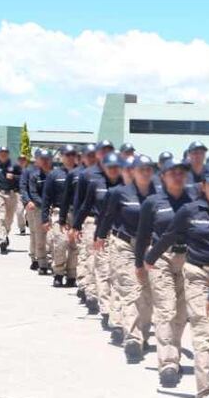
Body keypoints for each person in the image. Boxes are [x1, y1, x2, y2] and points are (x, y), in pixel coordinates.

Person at [145, 160, 209, 398]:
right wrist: (149, 258)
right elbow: (169, 235)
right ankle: (208, 392)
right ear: (203, 186)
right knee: (205, 333)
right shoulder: (190, 211)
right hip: (199, 276)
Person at [135, 157, 194, 387]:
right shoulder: (153, 202)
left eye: (182, 173)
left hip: (189, 258)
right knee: (166, 308)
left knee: (181, 312)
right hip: (161, 258)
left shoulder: (194, 201)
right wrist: (139, 263)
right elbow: (142, 236)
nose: (178, 176)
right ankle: (168, 362)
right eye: (173, 173)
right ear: (163, 176)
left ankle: (174, 353)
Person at [96, 154, 158, 362]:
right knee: (132, 290)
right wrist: (100, 237)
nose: (145, 172)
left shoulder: (158, 194)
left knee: (147, 292)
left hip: (149, 246)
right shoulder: (120, 193)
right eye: (141, 169)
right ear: (132, 171)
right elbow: (108, 216)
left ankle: (144, 333)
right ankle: (132, 338)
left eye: (149, 169)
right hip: (124, 244)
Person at [76, 153, 122, 324]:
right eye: (109, 167)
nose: (113, 170)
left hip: (119, 233)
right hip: (99, 230)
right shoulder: (96, 183)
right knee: (102, 269)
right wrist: (76, 225)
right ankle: (105, 309)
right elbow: (84, 206)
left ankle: (116, 308)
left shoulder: (125, 186)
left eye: (116, 167)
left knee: (116, 273)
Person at [41, 145, 80, 288]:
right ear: (61, 157)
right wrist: (44, 218)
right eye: (67, 154)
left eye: (72, 154)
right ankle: (58, 273)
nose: (70, 157)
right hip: (59, 213)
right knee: (60, 243)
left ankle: (71, 275)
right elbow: (46, 197)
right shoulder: (54, 175)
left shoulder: (81, 174)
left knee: (75, 246)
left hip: (77, 213)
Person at [68, 143, 98, 303]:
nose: (93, 158)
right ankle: (86, 287)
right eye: (90, 155)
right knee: (87, 255)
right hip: (88, 220)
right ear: (83, 158)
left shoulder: (108, 174)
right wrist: (76, 225)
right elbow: (79, 202)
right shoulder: (82, 175)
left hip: (105, 222)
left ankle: (91, 289)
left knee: (96, 259)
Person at [22, 149, 52, 273]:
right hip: (34, 206)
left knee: (50, 236)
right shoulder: (29, 171)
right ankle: (36, 259)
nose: (43, 161)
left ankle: (46, 259)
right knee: (36, 234)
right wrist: (27, 201)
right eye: (41, 158)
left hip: (51, 207)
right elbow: (24, 187)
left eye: (46, 158)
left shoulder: (54, 173)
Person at [15, 154, 30, 236]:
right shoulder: (14, 170)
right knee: (19, 212)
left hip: (29, 194)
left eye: (23, 159)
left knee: (30, 212)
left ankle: (27, 219)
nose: (22, 161)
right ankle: (22, 228)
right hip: (18, 193)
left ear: (26, 161)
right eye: (20, 159)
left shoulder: (29, 170)